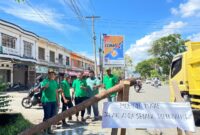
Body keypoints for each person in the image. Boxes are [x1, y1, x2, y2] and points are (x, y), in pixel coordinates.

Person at [40, 69, 60, 134]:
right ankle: (44, 129)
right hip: (46, 101)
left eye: (53, 74)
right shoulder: (45, 81)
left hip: (53, 101)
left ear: (54, 75)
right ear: (48, 74)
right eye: (50, 74)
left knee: (52, 116)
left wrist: (58, 101)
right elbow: (42, 89)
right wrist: (44, 87)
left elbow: (56, 92)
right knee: (47, 116)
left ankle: (49, 129)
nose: (52, 75)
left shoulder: (54, 82)